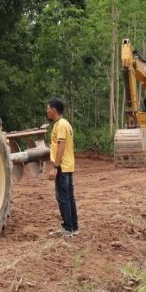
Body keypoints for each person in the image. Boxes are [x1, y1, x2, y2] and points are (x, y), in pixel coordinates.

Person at [45, 97, 79, 236]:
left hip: (62, 167)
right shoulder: (66, 124)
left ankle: (67, 228)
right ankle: (73, 227)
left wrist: (55, 167)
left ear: (54, 110)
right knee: (69, 197)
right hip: (68, 166)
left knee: (63, 198)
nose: (47, 111)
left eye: (48, 109)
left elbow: (61, 145)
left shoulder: (60, 125)